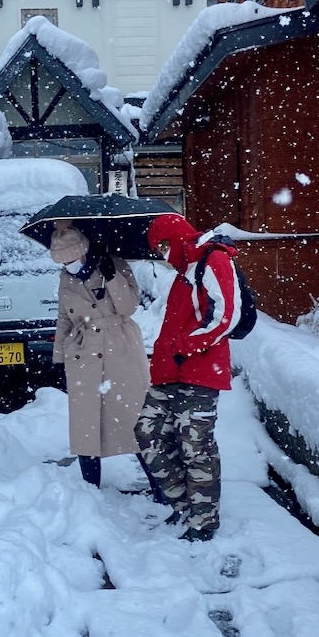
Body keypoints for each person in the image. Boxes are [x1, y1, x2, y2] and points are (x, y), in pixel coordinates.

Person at [135, 213, 240, 541]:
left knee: (196, 446)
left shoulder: (214, 259)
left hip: (200, 373)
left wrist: (184, 346)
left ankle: (203, 521)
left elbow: (225, 317)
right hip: (170, 373)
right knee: (146, 433)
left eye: (165, 244)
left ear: (180, 236)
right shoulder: (184, 276)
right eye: (158, 249)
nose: (163, 253)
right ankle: (185, 507)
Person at [49, 221, 150, 487]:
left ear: (82, 250)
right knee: (86, 426)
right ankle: (89, 488)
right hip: (83, 353)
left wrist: (112, 277)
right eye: (62, 261)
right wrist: (59, 358)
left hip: (120, 348)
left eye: (71, 258)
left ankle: (159, 485)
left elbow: (129, 307)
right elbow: (64, 318)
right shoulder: (66, 277)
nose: (68, 265)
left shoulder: (113, 264)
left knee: (134, 419)